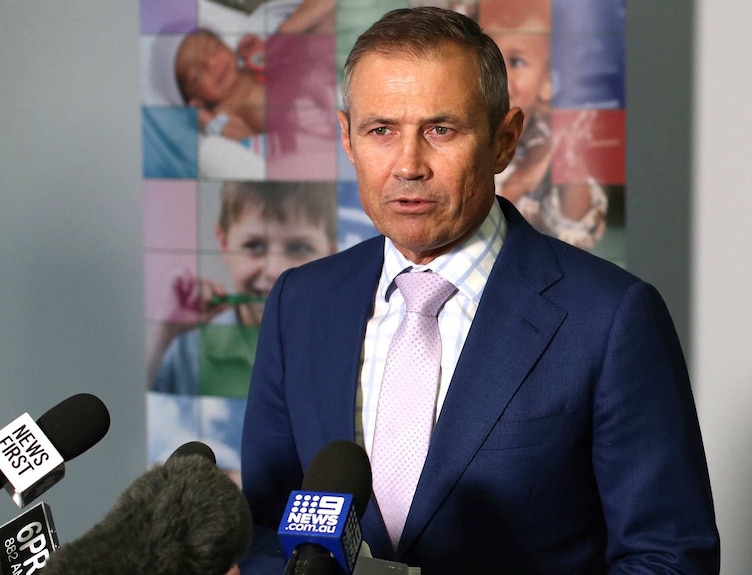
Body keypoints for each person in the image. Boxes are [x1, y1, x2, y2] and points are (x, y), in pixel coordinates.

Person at [240, 6, 719, 575]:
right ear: (347, 137)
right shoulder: (301, 301)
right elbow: (267, 529)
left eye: (441, 130)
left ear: (504, 139)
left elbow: (668, 559)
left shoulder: (611, 318)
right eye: (381, 131)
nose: (408, 165)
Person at [147, 180, 338, 397]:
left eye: (300, 248)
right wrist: (164, 331)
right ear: (225, 244)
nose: (274, 271)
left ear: (331, 253)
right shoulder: (186, 347)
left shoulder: (348, 344)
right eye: (254, 246)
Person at [480, 0, 608, 250]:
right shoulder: (461, 133)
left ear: (547, 83)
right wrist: (527, 174)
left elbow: (578, 225)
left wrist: (568, 151)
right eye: (489, 62)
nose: (500, 74)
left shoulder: (551, 135)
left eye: (516, 62)